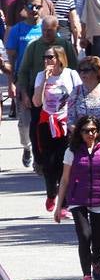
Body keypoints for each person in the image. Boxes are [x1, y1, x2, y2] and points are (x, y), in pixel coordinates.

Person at [54, 116, 100, 280]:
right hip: (77, 198)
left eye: (93, 130)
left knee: (99, 240)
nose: (90, 134)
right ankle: (86, 277)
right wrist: (59, 206)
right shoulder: (72, 151)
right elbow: (65, 179)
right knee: (84, 236)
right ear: (79, 132)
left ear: (98, 131)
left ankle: (95, 259)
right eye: (86, 131)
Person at [15, 15, 76, 175]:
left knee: (64, 131)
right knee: (37, 128)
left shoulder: (65, 45)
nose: (46, 33)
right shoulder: (34, 46)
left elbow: (75, 69)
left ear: (57, 29)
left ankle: (62, 162)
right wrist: (24, 94)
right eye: (44, 30)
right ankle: (40, 160)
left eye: (50, 30)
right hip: (38, 92)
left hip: (62, 97)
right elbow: (23, 71)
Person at [32, 43, 81, 210]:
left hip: (66, 123)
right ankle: (51, 194)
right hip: (47, 123)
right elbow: (37, 102)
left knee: (64, 161)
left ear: (60, 59)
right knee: (48, 163)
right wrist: (45, 81)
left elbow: (79, 95)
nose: (47, 60)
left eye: (50, 57)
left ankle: (64, 202)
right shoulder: (41, 76)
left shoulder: (71, 74)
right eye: (44, 57)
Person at [5, 0, 44, 167]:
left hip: (44, 83)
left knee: (42, 121)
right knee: (25, 122)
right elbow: (12, 59)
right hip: (24, 82)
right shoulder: (17, 30)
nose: (34, 10)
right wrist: (11, 83)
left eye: (38, 6)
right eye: (31, 6)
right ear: (24, 8)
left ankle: (39, 155)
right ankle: (27, 147)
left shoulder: (47, 28)